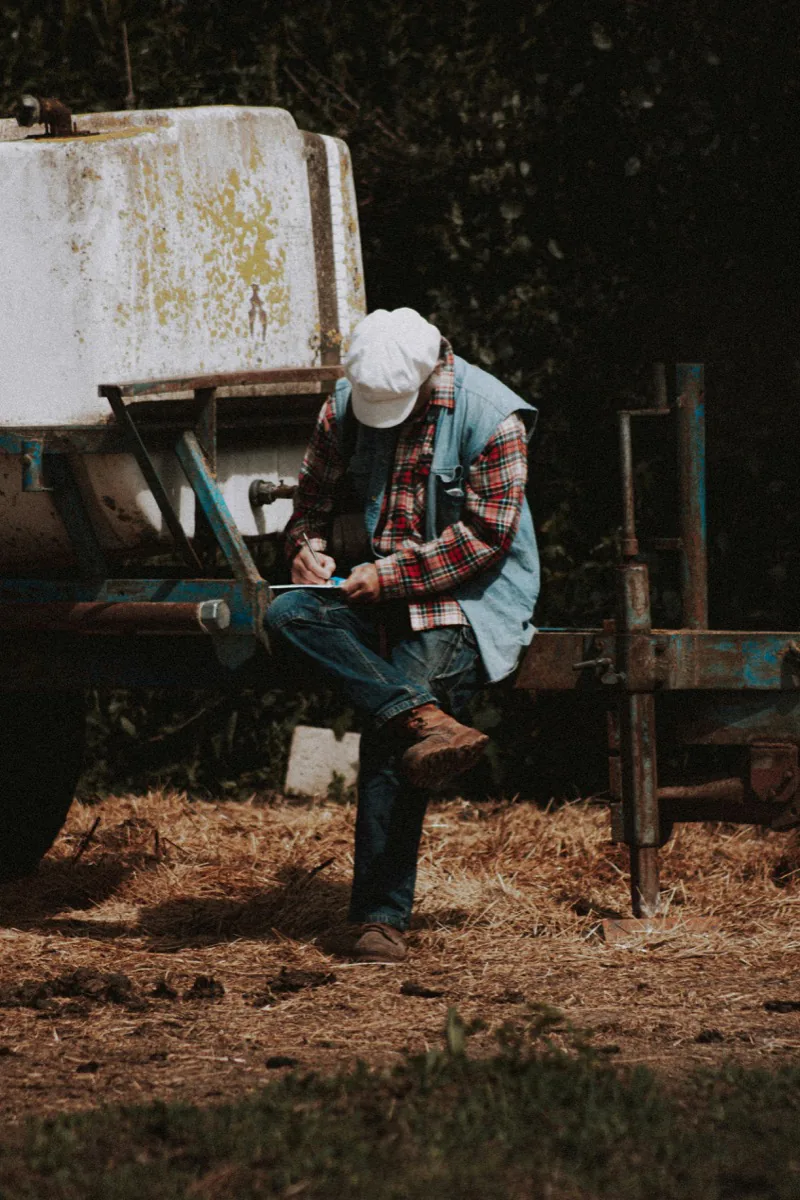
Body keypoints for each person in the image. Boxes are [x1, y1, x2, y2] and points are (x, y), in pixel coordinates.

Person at [265, 307, 539, 962]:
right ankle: (422, 717)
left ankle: (379, 918)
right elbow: (310, 506)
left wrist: (391, 579)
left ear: (429, 374)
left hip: (468, 596)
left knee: (392, 727)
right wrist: (307, 550)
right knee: (286, 613)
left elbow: (486, 538)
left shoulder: (492, 415)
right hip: (367, 585)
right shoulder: (342, 409)